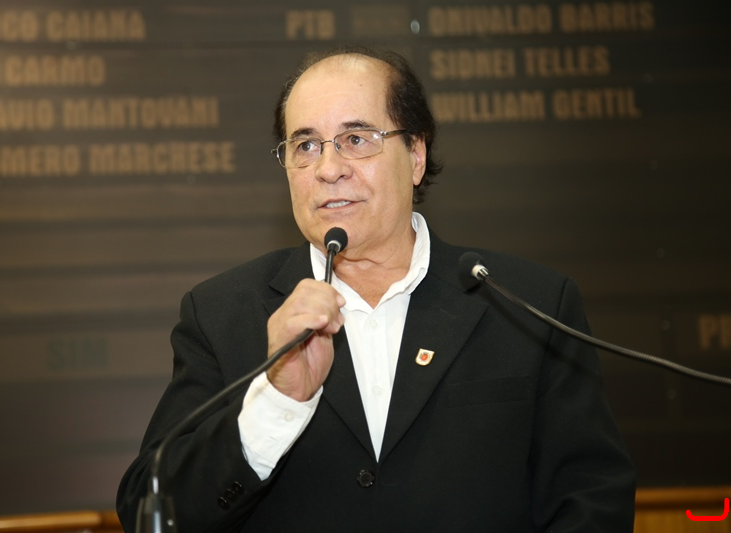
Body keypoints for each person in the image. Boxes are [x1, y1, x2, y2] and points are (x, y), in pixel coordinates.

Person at [117, 46, 636, 532]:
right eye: (306, 145)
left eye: (357, 139)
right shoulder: (222, 314)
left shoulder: (527, 304)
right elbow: (150, 512)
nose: (328, 169)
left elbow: (593, 498)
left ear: (416, 154)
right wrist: (276, 402)